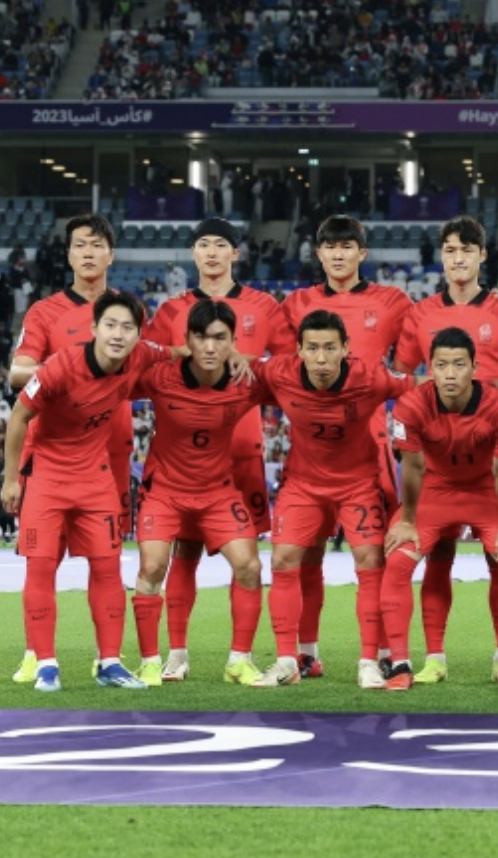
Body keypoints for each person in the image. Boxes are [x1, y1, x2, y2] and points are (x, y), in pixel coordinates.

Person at [0, 291, 173, 693]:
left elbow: (179, 351)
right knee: (41, 568)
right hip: (46, 479)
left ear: (138, 335)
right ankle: (45, 664)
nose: (118, 334)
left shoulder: (141, 356)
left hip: (96, 480)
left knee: (108, 568)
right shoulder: (60, 366)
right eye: (110, 325)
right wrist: (11, 480)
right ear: (94, 328)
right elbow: (19, 416)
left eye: (127, 327)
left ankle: (109, 662)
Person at [145, 216, 295, 682]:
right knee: (183, 553)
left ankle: (243, 655)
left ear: (236, 253)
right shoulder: (171, 310)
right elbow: (149, 360)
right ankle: (176, 654)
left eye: (220, 245)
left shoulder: (264, 306)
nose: (211, 252)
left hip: (243, 452)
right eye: (203, 245)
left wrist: (246, 359)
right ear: (193, 253)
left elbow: (290, 363)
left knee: (247, 559)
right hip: (182, 458)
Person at [390, 215, 498, 685]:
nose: (458, 259)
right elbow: (403, 376)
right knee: (437, 558)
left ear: (482, 256)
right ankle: (433, 658)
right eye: (450, 251)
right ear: (442, 257)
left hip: (490, 453)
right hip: (438, 458)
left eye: (467, 250)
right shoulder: (419, 313)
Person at [252, 310, 417, 689]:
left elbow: (420, 385)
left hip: (358, 484)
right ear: (299, 350)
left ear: (346, 349)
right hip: (303, 485)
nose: (321, 358)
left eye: (330, 348)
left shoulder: (371, 378)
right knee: (284, 559)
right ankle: (290, 660)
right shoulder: (279, 372)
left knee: (370, 560)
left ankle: (370, 662)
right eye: (312, 348)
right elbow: (237, 367)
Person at [6, 213, 138, 684]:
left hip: (108, 457)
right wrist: (71, 366)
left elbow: (154, 361)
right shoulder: (46, 312)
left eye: (97, 245)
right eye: (80, 244)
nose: (88, 252)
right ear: (68, 254)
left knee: (107, 561)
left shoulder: (126, 311)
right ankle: (38, 655)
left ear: (110, 255)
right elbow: (17, 373)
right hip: (51, 455)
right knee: (43, 559)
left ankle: (109, 660)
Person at [282, 214, 413, 678]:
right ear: (318, 253)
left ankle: (382, 652)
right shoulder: (296, 303)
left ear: (362, 252)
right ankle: (306, 652)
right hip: (312, 447)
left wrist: (497, 298)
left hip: (370, 445)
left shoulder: (392, 301)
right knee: (306, 555)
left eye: (347, 246)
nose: (338, 254)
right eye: (330, 246)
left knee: (376, 555)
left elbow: (431, 339)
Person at [129, 299, 270, 686]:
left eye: (220, 338)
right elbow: (116, 370)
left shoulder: (247, 381)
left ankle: (239, 662)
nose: (210, 347)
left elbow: (299, 379)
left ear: (233, 341)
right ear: (188, 339)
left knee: (250, 567)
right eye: (201, 337)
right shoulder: (160, 376)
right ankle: (152, 661)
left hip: (217, 493)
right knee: (152, 568)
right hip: (164, 492)